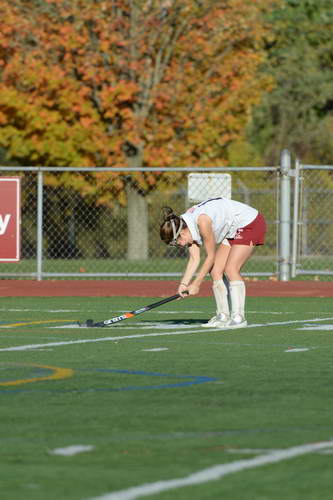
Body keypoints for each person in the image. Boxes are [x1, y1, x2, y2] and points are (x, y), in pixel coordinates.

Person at [159, 197, 267, 329]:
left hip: (249, 223)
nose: (179, 246)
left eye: (176, 242)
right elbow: (194, 259)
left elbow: (210, 256)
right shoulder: (184, 223)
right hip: (233, 229)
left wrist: (196, 284)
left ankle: (239, 317)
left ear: (181, 233)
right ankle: (223, 315)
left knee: (231, 269)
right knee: (215, 271)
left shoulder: (202, 222)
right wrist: (183, 284)